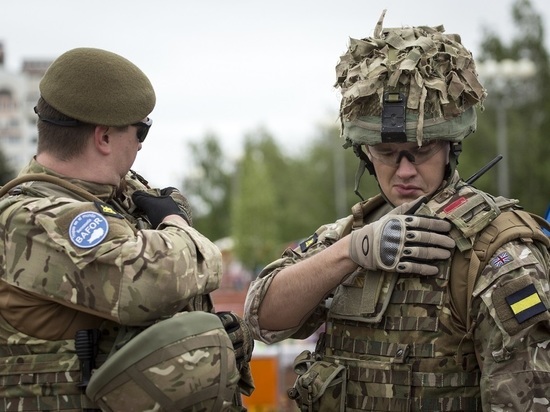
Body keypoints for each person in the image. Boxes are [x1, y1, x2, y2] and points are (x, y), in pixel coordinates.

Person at [244, 10, 550, 411]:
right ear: (365, 155)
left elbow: (527, 399)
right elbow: (261, 319)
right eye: (387, 153)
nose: (404, 170)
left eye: (421, 152)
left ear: (450, 148)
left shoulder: (497, 254)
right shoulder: (353, 233)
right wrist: (349, 252)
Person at [0, 47, 253, 411]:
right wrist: (176, 223)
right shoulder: (32, 218)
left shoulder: (114, 199)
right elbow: (152, 279)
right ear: (103, 138)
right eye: (141, 131)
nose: (138, 145)